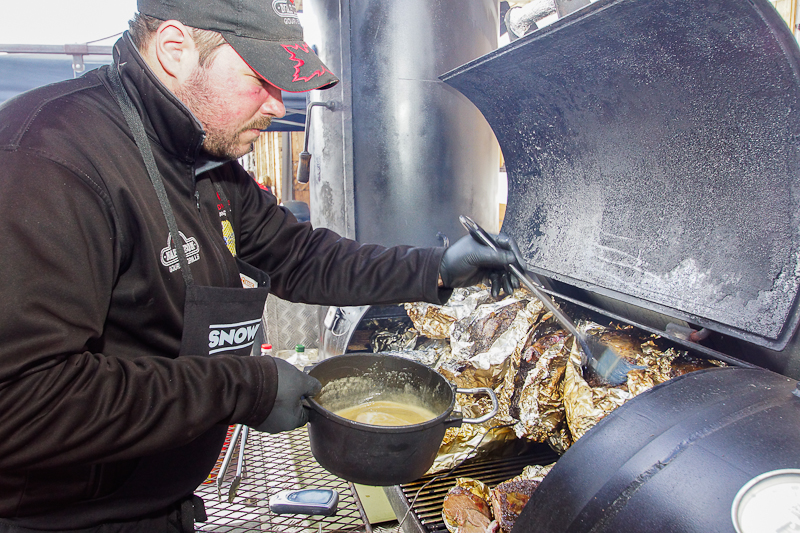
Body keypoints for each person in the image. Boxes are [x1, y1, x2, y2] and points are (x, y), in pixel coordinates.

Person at [0, 0, 523, 531]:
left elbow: (301, 257)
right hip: (63, 518)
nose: (278, 105)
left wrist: (438, 268)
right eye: (260, 79)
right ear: (175, 51)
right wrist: (244, 388)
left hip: (162, 504)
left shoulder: (202, 158)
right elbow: (21, 402)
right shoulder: (48, 161)